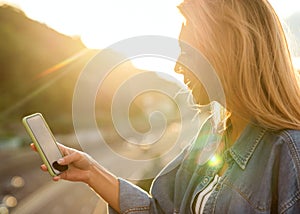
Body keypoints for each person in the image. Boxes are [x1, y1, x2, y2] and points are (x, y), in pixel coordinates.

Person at [31, 0, 300, 213]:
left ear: (226, 51)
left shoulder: (290, 153)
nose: (176, 66)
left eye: (186, 52)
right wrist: (91, 172)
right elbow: (159, 210)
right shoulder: (213, 134)